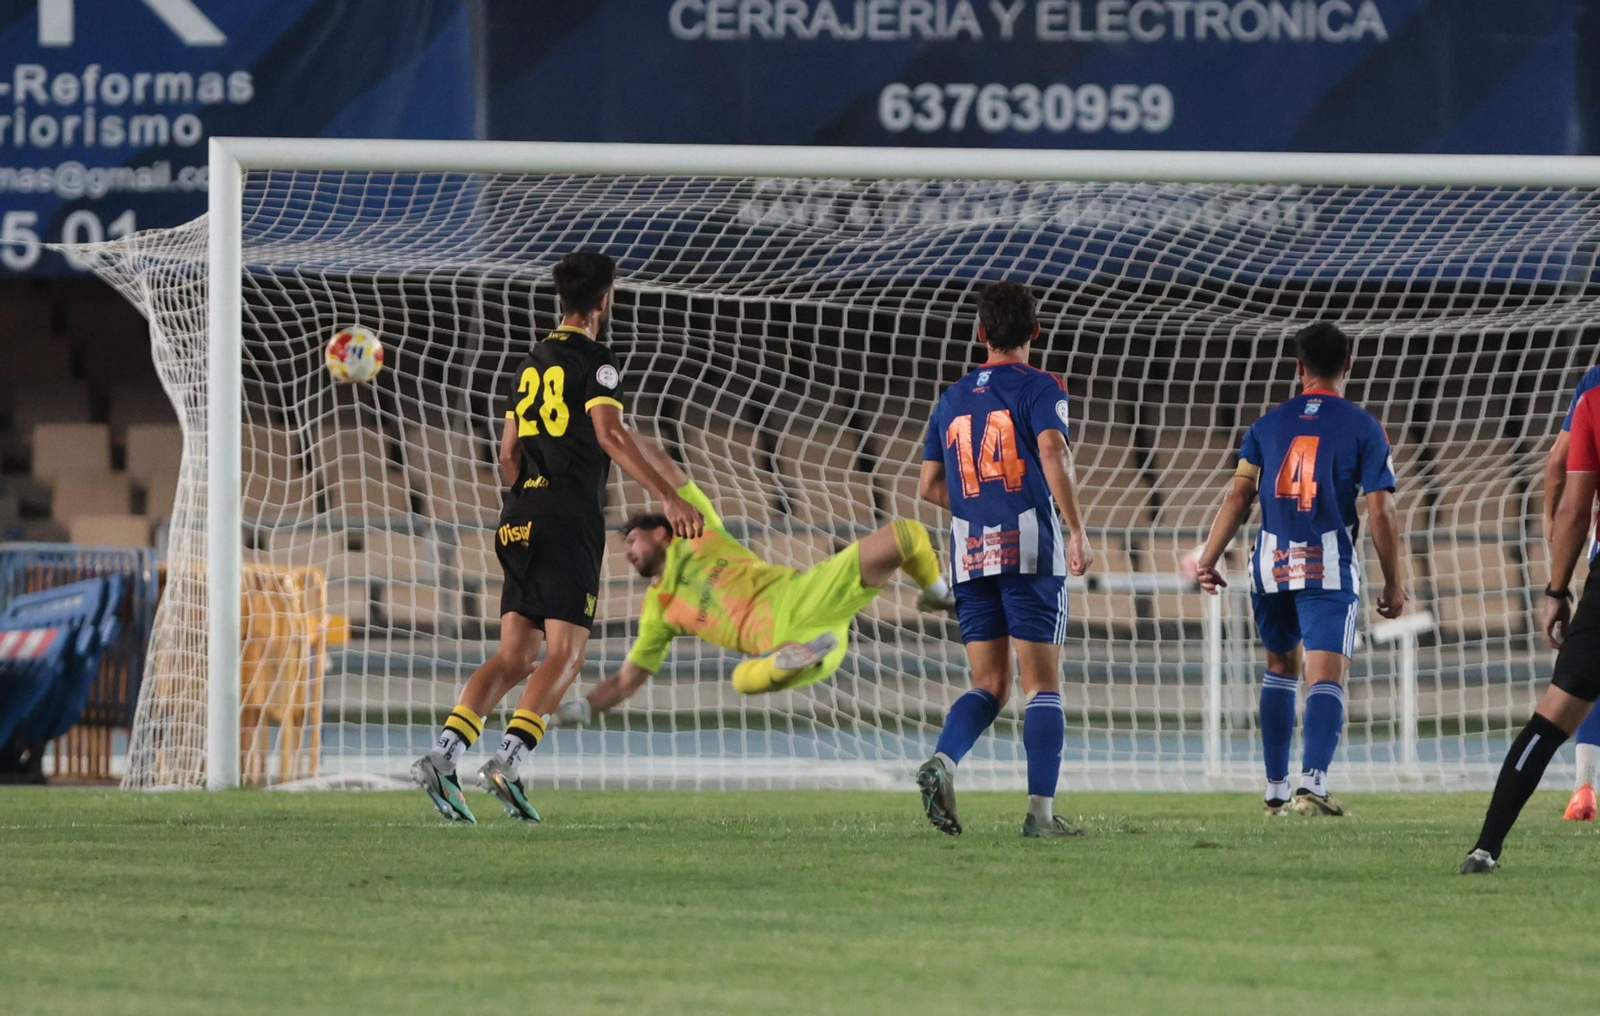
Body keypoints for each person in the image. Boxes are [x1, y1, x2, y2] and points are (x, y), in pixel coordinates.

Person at [411, 251, 702, 824]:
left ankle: (444, 756)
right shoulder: (596, 360)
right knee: (565, 654)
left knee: (515, 654)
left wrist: (527, 500)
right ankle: (509, 761)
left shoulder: (530, 362)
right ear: (604, 300)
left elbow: (507, 453)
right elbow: (610, 433)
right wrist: (667, 494)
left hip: (519, 514)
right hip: (569, 516)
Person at [549, 432, 955, 724]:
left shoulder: (697, 530)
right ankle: (789, 658)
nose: (628, 551)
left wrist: (607, 429)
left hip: (802, 595)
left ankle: (938, 592)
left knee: (905, 534)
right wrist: (582, 707)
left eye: (633, 540)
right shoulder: (659, 609)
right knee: (743, 678)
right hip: (804, 642)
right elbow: (627, 678)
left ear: (661, 532)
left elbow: (664, 466)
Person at [1193, 322, 1406, 817]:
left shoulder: (1266, 425)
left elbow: (1239, 494)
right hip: (1326, 565)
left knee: (1279, 670)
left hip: (1271, 566)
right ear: (1348, 365)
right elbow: (1381, 510)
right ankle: (1311, 786)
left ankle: (1274, 791)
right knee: (1325, 676)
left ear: (1298, 368)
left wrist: (1208, 557)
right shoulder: (1363, 426)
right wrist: (1395, 580)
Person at [913, 280, 1091, 839]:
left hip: (970, 553)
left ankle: (943, 762)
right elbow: (1052, 450)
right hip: (1030, 550)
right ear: (1035, 331)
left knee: (989, 683)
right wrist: (1077, 528)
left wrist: (980, 504)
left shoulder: (951, 397)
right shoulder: (1041, 386)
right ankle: (1039, 816)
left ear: (980, 334)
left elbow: (928, 485)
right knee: (1041, 687)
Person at [1460, 367, 1600, 872]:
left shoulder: (1594, 394)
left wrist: (1556, 590)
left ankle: (1485, 847)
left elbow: (1574, 506)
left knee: (1551, 717)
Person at [1541, 363, 1600, 822]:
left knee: (1588, 673)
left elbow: (1558, 462)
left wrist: (1550, 519)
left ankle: (1585, 785)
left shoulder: (1594, 381)